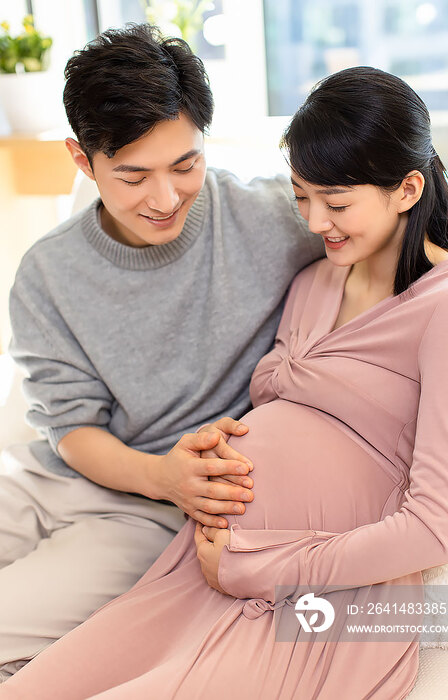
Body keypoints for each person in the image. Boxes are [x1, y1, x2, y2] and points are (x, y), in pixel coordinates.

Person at [2, 65, 448, 700]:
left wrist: (262, 568)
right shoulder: (313, 277)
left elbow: (439, 526)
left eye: (334, 203)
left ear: (408, 190)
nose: (312, 220)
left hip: (317, 602)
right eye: (302, 197)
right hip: (203, 564)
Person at [0, 22, 327, 679]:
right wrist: (158, 473)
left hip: (142, 516)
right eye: (132, 176)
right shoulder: (46, 273)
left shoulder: (271, 216)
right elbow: (69, 428)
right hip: (48, 479)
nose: (166, 197)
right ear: (81, 160)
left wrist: (169, 482)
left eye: (186, 164)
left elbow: (414, 214)